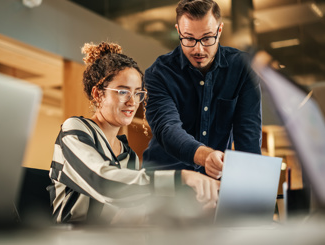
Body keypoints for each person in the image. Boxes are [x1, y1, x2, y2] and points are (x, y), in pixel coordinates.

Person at [47, 41, 219, 224]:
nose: (132, 102)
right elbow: (103, 182)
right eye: (123, 92)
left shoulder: (128, 156)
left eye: (138, 93)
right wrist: (181, 178)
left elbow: (126, 214)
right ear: (98, 94)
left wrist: (190, 206)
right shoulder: (75, 129)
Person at [142, 0, 262, 179]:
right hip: (165, 180)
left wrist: (255, 192)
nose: (199, 49)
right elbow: (167, 129)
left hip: (214, 182)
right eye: (189, 38)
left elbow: (248, 138)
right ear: (178, 31)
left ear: (219, 30)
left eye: (207, 38)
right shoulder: (158, 73)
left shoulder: (243, 68)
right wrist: (205, 156)